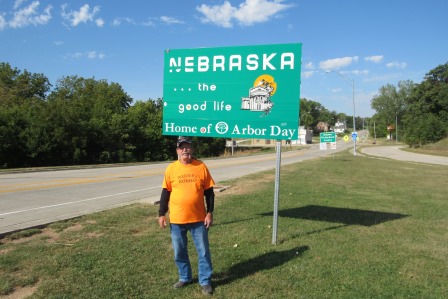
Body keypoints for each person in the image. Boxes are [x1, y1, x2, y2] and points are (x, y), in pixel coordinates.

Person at [158, 136, 215, 295]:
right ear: (177, 150)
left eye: (188, 147)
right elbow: (165, 193)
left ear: (192, 149)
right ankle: (185, 277)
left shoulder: (201, 166)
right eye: (181, 147)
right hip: (177, 220)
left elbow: (209, 193)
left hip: (198, 219)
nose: (185, 150)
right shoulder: (171, 169)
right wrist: (162, 214)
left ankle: (205, 281)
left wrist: (210, 212)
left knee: (203, 251)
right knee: (179, 251)